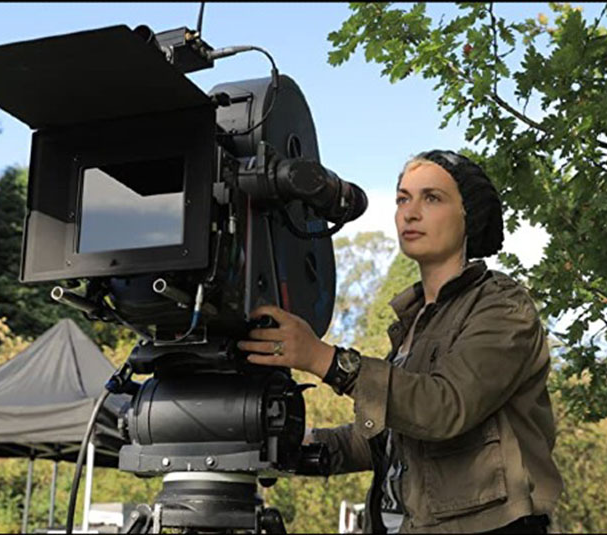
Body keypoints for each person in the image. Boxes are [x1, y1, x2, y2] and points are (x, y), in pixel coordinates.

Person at [237, 150, 563, 533]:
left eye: (432, 198)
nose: (410, 212)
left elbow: (445, 407)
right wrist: (295, 441)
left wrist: (325, 360)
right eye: (402, 199)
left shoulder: (502, 305)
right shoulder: (414, 324)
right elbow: (393, 436)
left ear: (468, 215)